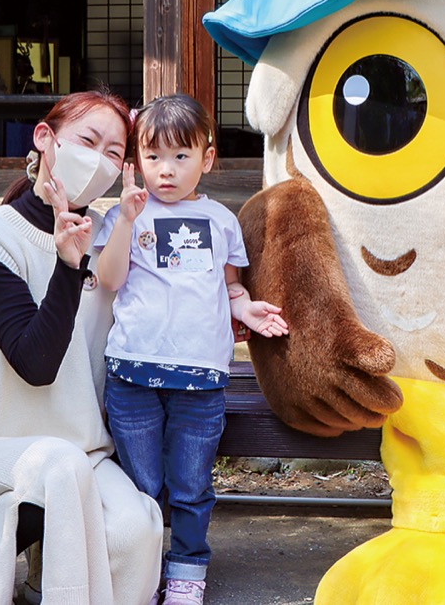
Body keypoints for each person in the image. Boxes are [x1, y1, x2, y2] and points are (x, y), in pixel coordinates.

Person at [0, 88, 164, 605]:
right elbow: (36, 363)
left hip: (77, 451)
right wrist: (68, 267)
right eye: (87, 140)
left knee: (136, 529)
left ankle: (14, 567)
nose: (98, 161)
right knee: (57, 465)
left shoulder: (109, 242)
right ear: (45, 139)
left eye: (115, 153)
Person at [93, 94, 289, 605]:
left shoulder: (222, 221)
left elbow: (230, 289)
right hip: (133, 375)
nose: (166, 170)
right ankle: (142, 568)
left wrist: (246, 311)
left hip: (201, 382)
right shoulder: (124, 215)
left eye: (182, 156)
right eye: (153, 156)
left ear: (208, 156)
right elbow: (108, 279)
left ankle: (186, 571)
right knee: (141, 486)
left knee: (190, 486)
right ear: (136, 160)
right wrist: (127, 220)